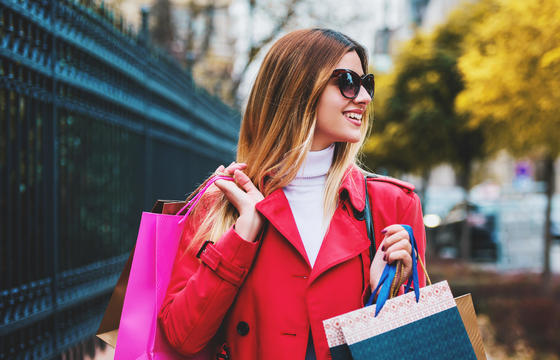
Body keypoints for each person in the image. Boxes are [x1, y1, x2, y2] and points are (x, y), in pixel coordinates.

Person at [159, 28, 427, 359]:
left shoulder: (392, 205)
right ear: (298, 88)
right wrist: (242, 236)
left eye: (366, 84)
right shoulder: (223, 201)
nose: (364, 97)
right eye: (347, 82)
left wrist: (384, 292)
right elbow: (181, 337)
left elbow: (415, 347)